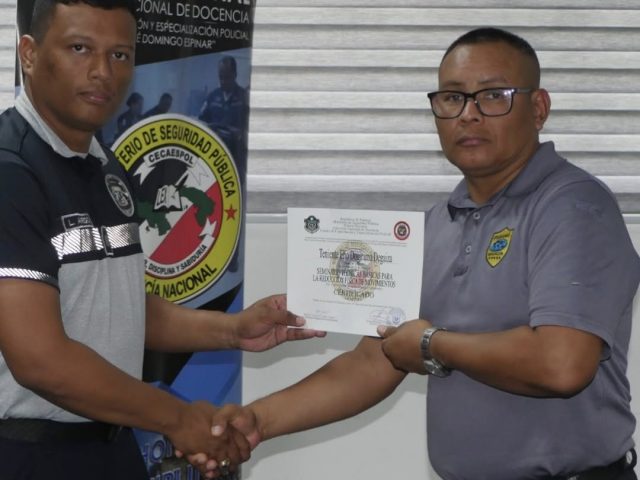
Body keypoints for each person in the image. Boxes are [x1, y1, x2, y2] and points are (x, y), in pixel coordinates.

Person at [200, 27, 640, 480]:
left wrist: (432, 344)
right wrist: (258, 422)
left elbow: (562, 363)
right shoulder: (436, 225)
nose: (468, 114)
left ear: (539, 108)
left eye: (493, 96)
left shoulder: (573, 207)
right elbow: (374, 361)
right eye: (452, 98)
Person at [0, 1, 324, 479]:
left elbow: (121, 309)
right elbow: (40, 361)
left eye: (120, 55)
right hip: (29, 453)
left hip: (112, 445)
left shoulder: (104, 164)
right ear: (28, 53)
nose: (103, 72)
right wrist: (176, 419)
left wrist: (233, 330)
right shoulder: (11, 171)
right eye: (79, 48)